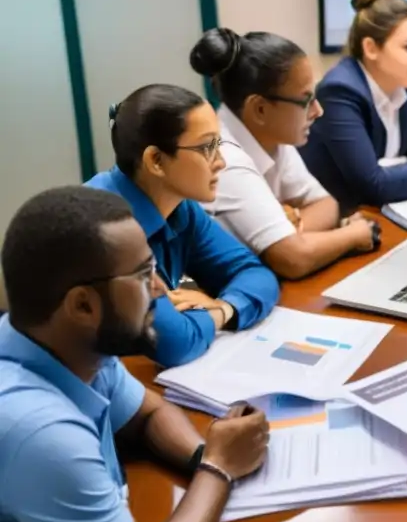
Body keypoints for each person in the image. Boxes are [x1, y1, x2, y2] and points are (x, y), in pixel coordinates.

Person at [0, 186, 269, 522]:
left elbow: (148, 414)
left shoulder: (66, 343)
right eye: (145, 275)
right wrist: (219, 468)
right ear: (82, 304)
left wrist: (204, 454)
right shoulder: (35, 429)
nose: (162, 288)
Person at [86, 84, 280, 367]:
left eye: (219, 144)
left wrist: (226, 308)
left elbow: (256, 274)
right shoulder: (104, 228)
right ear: (156, 161)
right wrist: (211, 313)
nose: (221, 163)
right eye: (207, 148)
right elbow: (175, 342)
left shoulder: (181, 208)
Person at [190, 27, 380, 279]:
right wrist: (355, 234)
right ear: (259, 109)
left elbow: (326, 205)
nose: (318, 111)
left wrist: (291, 229)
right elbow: (294, 260)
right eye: (306, 101)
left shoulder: (273, 137)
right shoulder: (225, 159)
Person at [298, 0, 407, 209]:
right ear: (371, 48)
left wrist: (406, 168)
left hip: (394, 212)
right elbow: (373, 185)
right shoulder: (339, 92)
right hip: (344, 220)